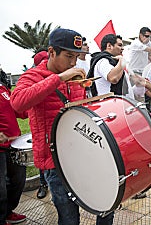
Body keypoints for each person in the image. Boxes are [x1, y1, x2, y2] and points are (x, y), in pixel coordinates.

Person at [10, 28, 114, 225]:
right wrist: (59, 78)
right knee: (68, 217)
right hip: (54, 160)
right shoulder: (32, 76)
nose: (73, 63)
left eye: (76, 56)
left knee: (106, 202)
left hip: (82, 152)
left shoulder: (75, 76)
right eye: (68, 56)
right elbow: (18, 104)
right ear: (51, 52)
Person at [0, 75, 27, 225]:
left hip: (13, 144)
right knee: (0, 189)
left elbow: (17, 109)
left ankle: (7, 212)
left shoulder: (2, 88)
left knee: (18, 181)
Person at [32, 51, 49, 199]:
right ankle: (42, 185)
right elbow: (19, 103)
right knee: (43, 164)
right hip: (42, 136)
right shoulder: (33, 78)